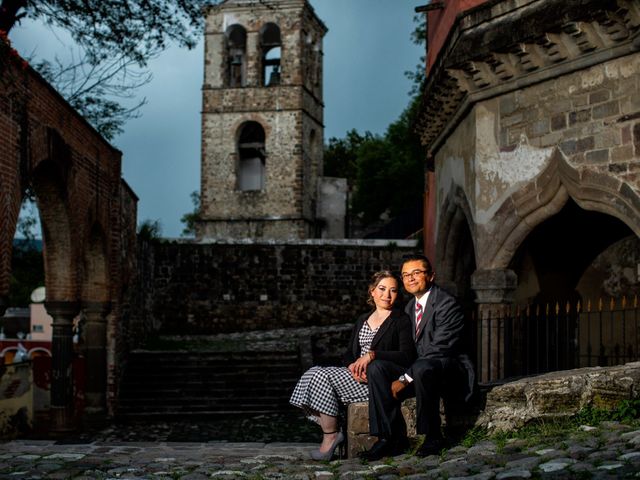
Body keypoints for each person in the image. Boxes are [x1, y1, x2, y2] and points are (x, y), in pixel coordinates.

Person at [290, 270, 417, 460]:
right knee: (313, 373)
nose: (387, 295)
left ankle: (331, 436)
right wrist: (351, 367)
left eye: (393, 290)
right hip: (356, 377)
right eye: (382, 289)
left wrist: (372, 355)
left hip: (379, 380)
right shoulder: (362, 319)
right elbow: (349, 353)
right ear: (372, 291)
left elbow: (407, 356)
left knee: (320, 375)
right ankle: (331, 433)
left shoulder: (401, 319)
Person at [361, 254, 475, 460]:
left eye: (416, 273)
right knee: (377, 368)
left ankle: (432, 436)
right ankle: (389, 438)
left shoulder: (447, 304)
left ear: (431, 276)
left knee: (423, 367)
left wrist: (404, 380)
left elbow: (438, 350)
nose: (410, 279)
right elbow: (407, 352)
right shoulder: (409, 308)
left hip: (448, 372)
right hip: (420, 371)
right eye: (406, 275)